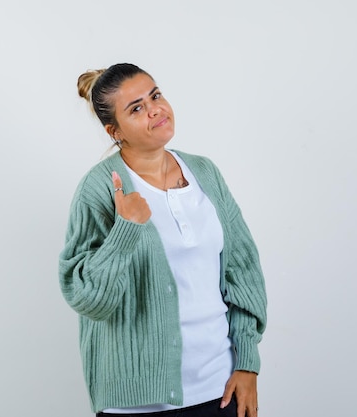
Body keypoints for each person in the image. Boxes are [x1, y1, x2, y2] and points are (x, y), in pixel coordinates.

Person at [58, 63, 267, 417]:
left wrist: (247, 362)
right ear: (115, 131)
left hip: (221, 388)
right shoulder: (99, 189)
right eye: (136, 108)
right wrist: (126, 230)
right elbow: (87, 298)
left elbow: (242, 271)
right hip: (138, 402)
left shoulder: (204, 172)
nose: (155, 108)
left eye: (155, 95)